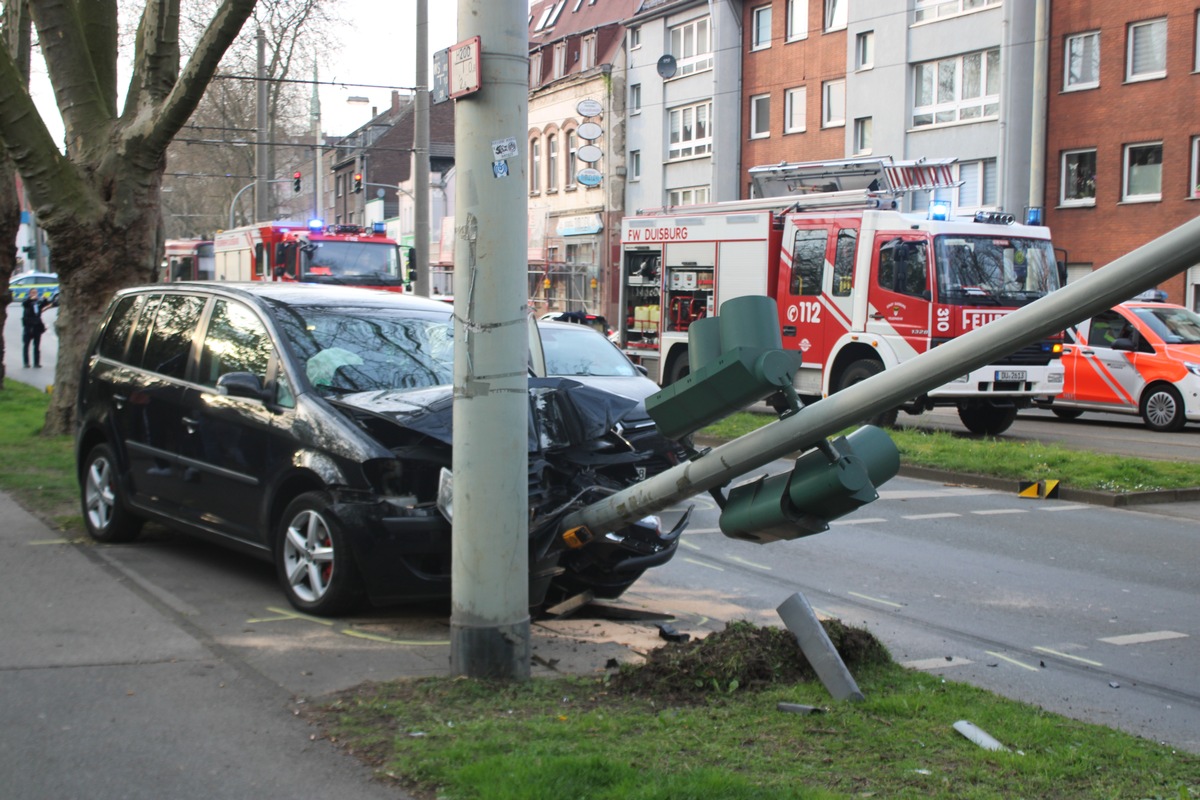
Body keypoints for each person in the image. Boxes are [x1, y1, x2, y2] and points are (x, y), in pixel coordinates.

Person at [22, 288, 49, 368]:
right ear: (30, 293)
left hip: (37, 327)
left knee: (37, 346)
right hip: (28, 327)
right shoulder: (27, 301)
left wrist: (45, 300)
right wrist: (31, 299)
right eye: (32, 293)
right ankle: (26, 363)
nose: (34, 294)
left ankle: (36, 363)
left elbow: (44, 305)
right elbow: (24, 304)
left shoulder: (37, 302)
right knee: (26, 345)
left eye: (35, 292)